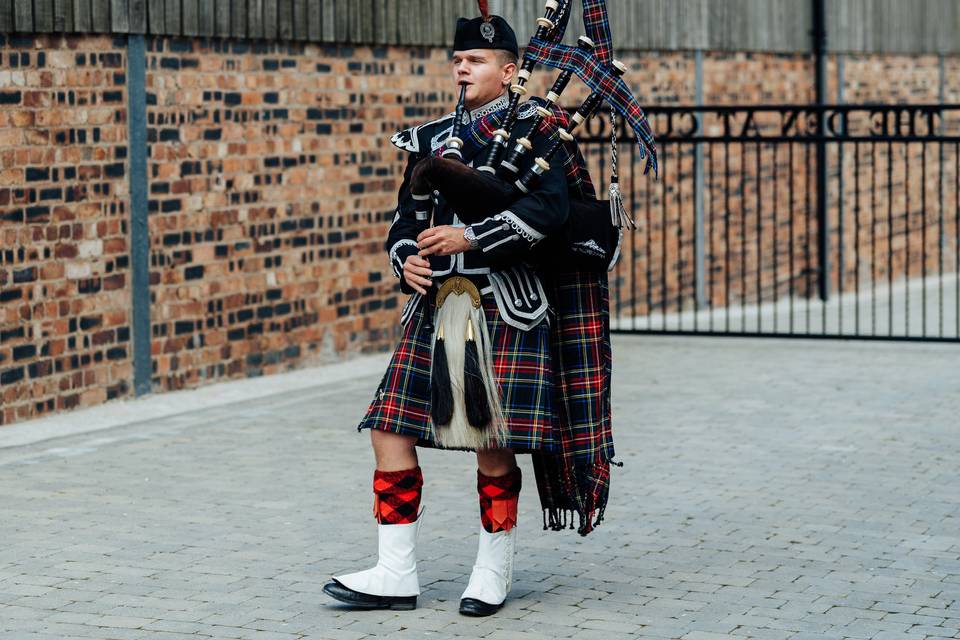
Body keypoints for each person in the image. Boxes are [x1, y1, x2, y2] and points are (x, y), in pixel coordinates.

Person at [322, 12, 575, 617]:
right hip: (437, 306)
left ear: (512, 72)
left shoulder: (541, 133)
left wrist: (472, 239)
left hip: (505, 305)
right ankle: (394, 571)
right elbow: (403, 220)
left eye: (478, 60)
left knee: (493, 442)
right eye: (458, 59)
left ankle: (492, 569)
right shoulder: (429, 139)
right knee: (388, 427)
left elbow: (550, 213)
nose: (463, 67)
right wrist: (404, 258)